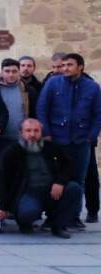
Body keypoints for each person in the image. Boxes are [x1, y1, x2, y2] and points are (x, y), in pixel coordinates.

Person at [35, 53, 101, 230]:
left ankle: (72, 217)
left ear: (80, 66)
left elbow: (98, 114)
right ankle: (52, 216)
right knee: (53, 179)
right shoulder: (53, 83)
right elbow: (42, 109)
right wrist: (46, 133)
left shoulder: (93, 88)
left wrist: (91, 136)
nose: (64, 68)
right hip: (56, 140)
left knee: (78, 180)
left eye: (69, 65)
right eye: (63, 65)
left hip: (80, 141)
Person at [0, 118, 79, 238]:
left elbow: (68, 166)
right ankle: (24, 223)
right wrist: (3, 207)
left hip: (52, 190)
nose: (32, 134)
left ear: (41, 132)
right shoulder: (11, 152)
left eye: (36, 131)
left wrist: (60, 182)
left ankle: (58, 226)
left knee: (74, 189)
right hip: (28, 193)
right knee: (27, 213)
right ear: (21, 133)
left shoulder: (51, 147)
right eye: (28, 131)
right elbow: (1, 181)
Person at [0, 58, 33, 151]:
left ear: (19, 72)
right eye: (7, 71)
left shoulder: (28, 90)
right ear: (1, 72)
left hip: (22, 139)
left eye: (14, 71)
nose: (11, 74)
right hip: (0, 138)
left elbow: (33, 114)